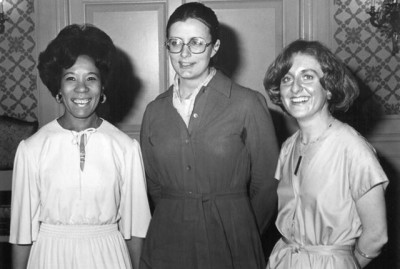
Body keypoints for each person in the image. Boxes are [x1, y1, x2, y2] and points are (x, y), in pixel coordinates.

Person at [139, 2, 279, 269]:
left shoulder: (246, 103)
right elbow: (154, 184)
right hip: (168, 239)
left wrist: (240, 230)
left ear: (214, 47)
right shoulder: (154, 110)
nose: (184, 53)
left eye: (196, 42)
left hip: (232, 239)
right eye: (175, 43)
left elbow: (267, 184)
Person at [9, 24, 151, 269]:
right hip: (49, 258)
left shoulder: (125, 148)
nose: (82, 88)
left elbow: (136, 232)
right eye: (71, 78)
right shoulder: (31, 149)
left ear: (103, 87)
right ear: (58, 89)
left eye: (91, 78)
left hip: (109, 257)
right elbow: (22, 235)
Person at [263, 39, 388, 269]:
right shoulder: (288, 147)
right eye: (287, 79)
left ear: (329, 88)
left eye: (308, 77)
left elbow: (376, 236)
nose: (295, 87)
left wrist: (342, 264)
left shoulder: (353, 148)